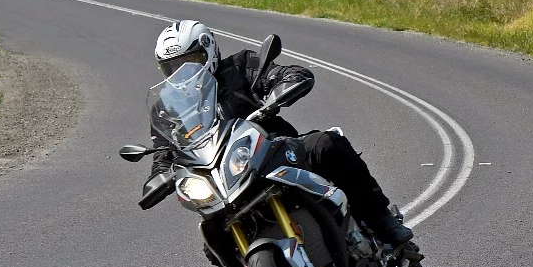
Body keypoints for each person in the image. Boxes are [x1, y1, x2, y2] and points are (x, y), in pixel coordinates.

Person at [151, 20, 415, 248]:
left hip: (275, 151)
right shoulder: (170, 106)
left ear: (209, 51)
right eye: (172, 67)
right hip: (224, 179)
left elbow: (284, 73)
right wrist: (159, 177)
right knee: (212, 237)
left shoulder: (240, 66)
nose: (183, 72)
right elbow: (163, 151)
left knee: (326, 144)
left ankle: (382, 221)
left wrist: (286, 84)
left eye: (190, 62)